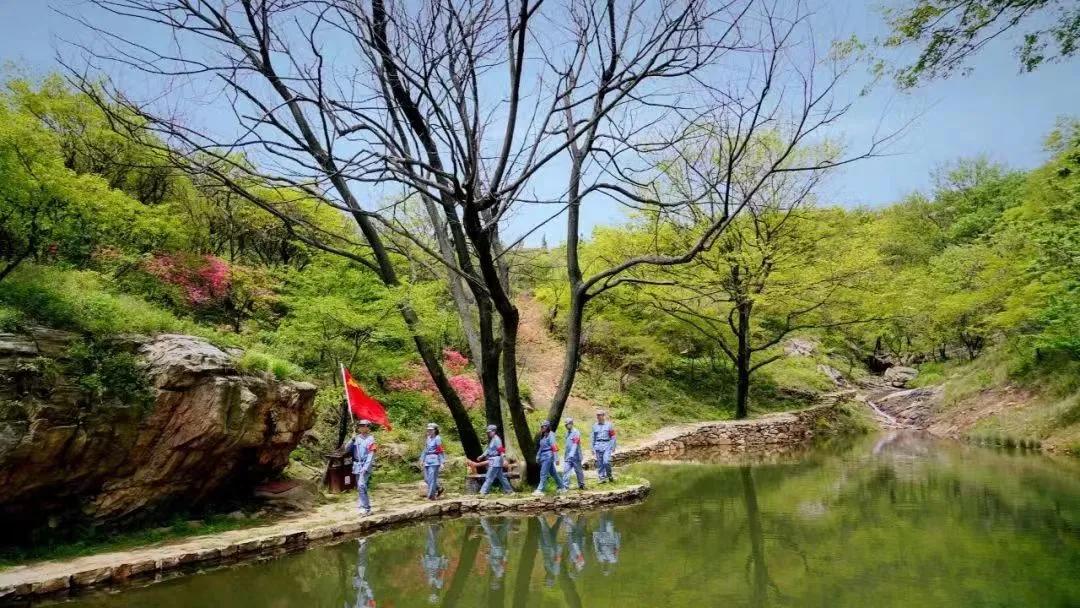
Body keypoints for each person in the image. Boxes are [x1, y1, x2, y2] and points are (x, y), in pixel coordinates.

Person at [344, 419, 377, 515]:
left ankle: (365, 508)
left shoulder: (371, 439)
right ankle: (365, 507)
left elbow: (371, 455)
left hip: (365, 465)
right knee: (360, 487)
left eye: (364, 426)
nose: (362, 427)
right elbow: (346, 449)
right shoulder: (356, 438)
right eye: (360, 426)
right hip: (357, 465)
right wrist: (352, 440)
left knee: (361, 485)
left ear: (368, 428)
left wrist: (366, 467)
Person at [478, 424, 515, 495]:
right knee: (501, 477)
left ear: (494, 431)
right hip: (493, 460)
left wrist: (504, 460)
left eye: (490, 432)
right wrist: (482, 456)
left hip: (496, 460)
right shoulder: (492, 440)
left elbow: (501, 450)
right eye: (488, 432)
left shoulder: (497, 439)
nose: (488, 433)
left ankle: (483, 492)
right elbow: (488, 450)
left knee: (489, 476)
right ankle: (510, 491)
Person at [534, 420, 567, 495]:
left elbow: (554, 446)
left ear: (548, 427)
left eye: (544, 426)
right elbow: (541, 447)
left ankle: (540, 490)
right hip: (543, 456)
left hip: (548, 456)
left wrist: (556, 458)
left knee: (543, 473)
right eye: (542, 426)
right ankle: (562, 488)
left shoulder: (551, 435)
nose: (543, 427)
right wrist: (538, 456)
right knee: (553, 473)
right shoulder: (543, 436)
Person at [421, 524, 448, 605]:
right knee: (432, 542)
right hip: (435, 560)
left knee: (429, 542)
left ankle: (436, 528)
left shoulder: (429, 583)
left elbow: (426, 571)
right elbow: (443, 572)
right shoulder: (439, 584)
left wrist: (422, 560)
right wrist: (444, 561)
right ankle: (430, 526)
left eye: (431, 593)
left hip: (428, 560)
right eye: (434, 593)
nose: (433, 591)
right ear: (436, 593)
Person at [420, 423, 445, 500]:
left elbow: (440, 450)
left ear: (435, 430)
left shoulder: (438, 438)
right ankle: (439, 488)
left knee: (432, 479)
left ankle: (431, 496)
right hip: (427, 460)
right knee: (426, 479)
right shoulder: (428, 438)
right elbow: (425, 449)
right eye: (428, 430)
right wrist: (422, 459)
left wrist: (442, 462)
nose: (429, 431)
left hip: (435, 460)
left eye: (431, 430)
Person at [591, 410, 617, 483]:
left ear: (603, 416)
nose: (598, 417)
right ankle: (602, 478)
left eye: (600, 415)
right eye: (597, 415)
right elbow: (593, 437)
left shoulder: (609, 425)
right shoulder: (594, 426)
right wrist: (592, 448)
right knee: (600, 463)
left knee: (606, 461)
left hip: (607, 445)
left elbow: (613, 436)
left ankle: (609, 475)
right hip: (598, 445)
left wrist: (613, 446)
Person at [592, 512, 621, 576]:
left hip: (602, 538)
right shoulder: (614, 559)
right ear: (609, 568)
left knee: (602, 522)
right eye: (606, 569)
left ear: (603, 568)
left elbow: (596, 546)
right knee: (609, 523)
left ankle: (602, 510)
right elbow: (617, 547)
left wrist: (595, 537)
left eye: (604, 568)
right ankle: (610, 510)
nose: (606, 567)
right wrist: (617, 537)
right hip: (611, 539)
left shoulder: (600, 558)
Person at [561, 417, 586, 490]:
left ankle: (581, 485)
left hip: (576, 456)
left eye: (567, 424)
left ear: (571, 424)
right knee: (566, 470)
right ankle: (565, 486)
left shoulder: (576, 432)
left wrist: (571, 454)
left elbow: (575, 443)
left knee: (578, 471)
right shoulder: (566, 433)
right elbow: (567, 445)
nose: (566, 426)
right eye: (565, 425)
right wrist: (567, 455)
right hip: (568, 456)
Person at [352, 537, 377, 607]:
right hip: (363, 579)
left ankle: (364, 543)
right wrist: (365, 583)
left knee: (359, 561)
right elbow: (371, 598)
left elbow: (351, 604)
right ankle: (363, 543)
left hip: (357, 582)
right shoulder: (370, 605)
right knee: (361, 561)